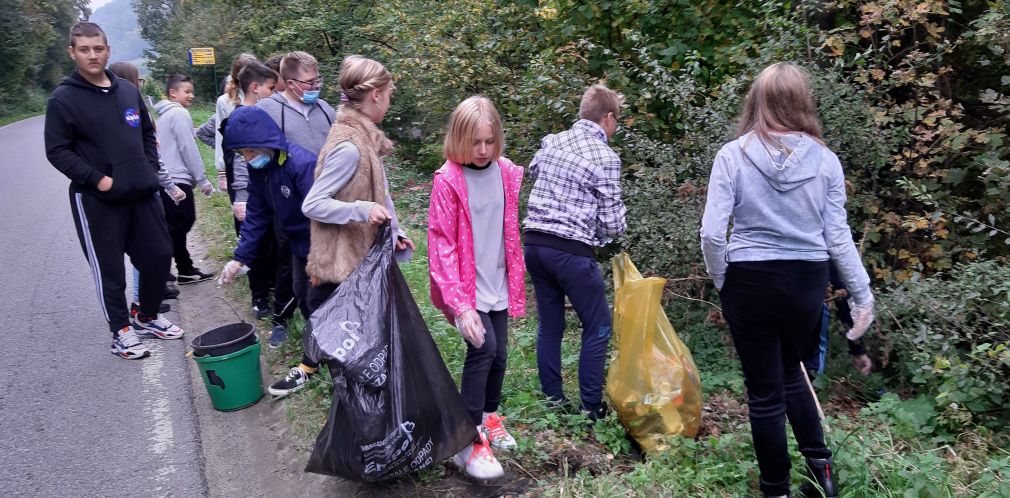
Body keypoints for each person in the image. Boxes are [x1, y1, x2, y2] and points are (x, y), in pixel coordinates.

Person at [699, 62, 875, 498]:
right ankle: (821, 474)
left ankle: (775, 490)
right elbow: (837, 236)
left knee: (764, 392)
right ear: (802, 103)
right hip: (806, 280)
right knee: (793, 372)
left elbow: (709, 232)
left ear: (756, 101)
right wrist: (861, 294)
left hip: (749, 278)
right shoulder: (827, 162)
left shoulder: (732, 155)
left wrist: (724, 278)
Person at [44, 22, 183, 360]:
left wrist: (149, 168)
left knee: (159, 254)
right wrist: (99, 180)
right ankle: (121, 332)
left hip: (141, 192)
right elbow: (57, 151)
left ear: (108, 49)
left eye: (99, 48)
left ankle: (147, 316)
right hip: (96, 199)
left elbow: (148, 133)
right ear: (72, 52)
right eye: (85, 49)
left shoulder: (126, 90)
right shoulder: (64, 99)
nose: (93, 55)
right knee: (110, 269)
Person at [288, 55, 415, 398]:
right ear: (374, 95)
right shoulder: (350, 145)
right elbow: (313, 204)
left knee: (361, 337)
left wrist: (395, 232)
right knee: (339, 332)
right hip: (345, 266)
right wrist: (361, 210)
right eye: (388, 94)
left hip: (362, 260)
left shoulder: (365, 139)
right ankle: (343, 392)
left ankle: (362, 391)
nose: (389, 101)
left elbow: (380, 194)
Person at [427, 96, 526, 480]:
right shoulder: (448, 180)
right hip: (466, 287)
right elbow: (442, 245)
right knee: (484, 350)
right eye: (475, 142)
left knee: (500, 356)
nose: (482, 150)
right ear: (459, 138)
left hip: (496, 281)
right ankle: (466, 441)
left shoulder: (506, 173)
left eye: (489, 141)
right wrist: (460, 305)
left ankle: (488, 417)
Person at [522, 83, 627, 421]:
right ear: (608, 118)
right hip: (570, 251)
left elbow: (535, 172)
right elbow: (613, 225)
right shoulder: (605, 157)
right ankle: (590, 408)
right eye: (617, 121)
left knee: (551, 326)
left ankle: (553, 402)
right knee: (597, 324)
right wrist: (599, 226)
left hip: (535, 244)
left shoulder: (552, 142)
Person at [218, 106, 315, 351]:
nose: (248, 158)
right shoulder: (259, 169)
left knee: (318, 296)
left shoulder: (302, 164)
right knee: (301, 293)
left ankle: (327, 351)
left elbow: (321, 215)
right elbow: (256, 215)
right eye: (243, 153)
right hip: (295, 241)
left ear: (266, 142)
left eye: (250, 151)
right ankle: (316, 345)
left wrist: (320, 257)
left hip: (317, 240)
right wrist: (239, 260)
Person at [107, 60, 180, 316]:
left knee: (150, 249)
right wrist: (166, 183)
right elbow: (151, 154)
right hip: (144, 187)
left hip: (146, 184)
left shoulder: (131, 108)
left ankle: (152, 293)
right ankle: (142, 302)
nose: (140, 84)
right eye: (138, 79)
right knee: (145, 250)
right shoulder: (130, 111)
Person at [154, 74, 215, 284]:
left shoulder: (163, 115)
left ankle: (183, 269)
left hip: (165, 179)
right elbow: (188, 147)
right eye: (186, 91)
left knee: (175, 225)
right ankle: (158, 267)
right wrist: (202, 179)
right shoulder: (179, 113)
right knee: (182, 222)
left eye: (191, 91)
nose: (191, 95)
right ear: (173, 93)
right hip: (176, 179)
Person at [256, 51, 336, 156]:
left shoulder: (325, 108)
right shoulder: (266, 110)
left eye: (318, 79)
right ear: (290, 84)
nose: (317, 85)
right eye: (310, 82)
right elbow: (251, 152)